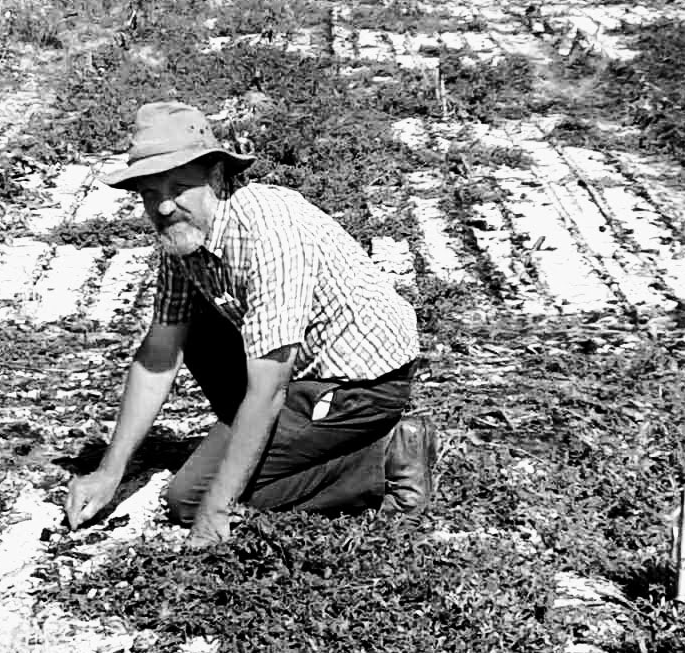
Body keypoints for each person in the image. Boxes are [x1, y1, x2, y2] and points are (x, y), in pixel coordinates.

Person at [61, 101, 436, 547]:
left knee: (188, 498)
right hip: (299, 372)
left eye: (180, 187)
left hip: (360, 385)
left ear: (217, 178)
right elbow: (158, 354)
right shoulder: (184, 240)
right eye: (149, 194)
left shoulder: (267, 235)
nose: (163, 207)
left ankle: (383, 455)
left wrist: (216, 510)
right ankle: (273, 445)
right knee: (188, 327)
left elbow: (269, 388)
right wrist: (109, 470)